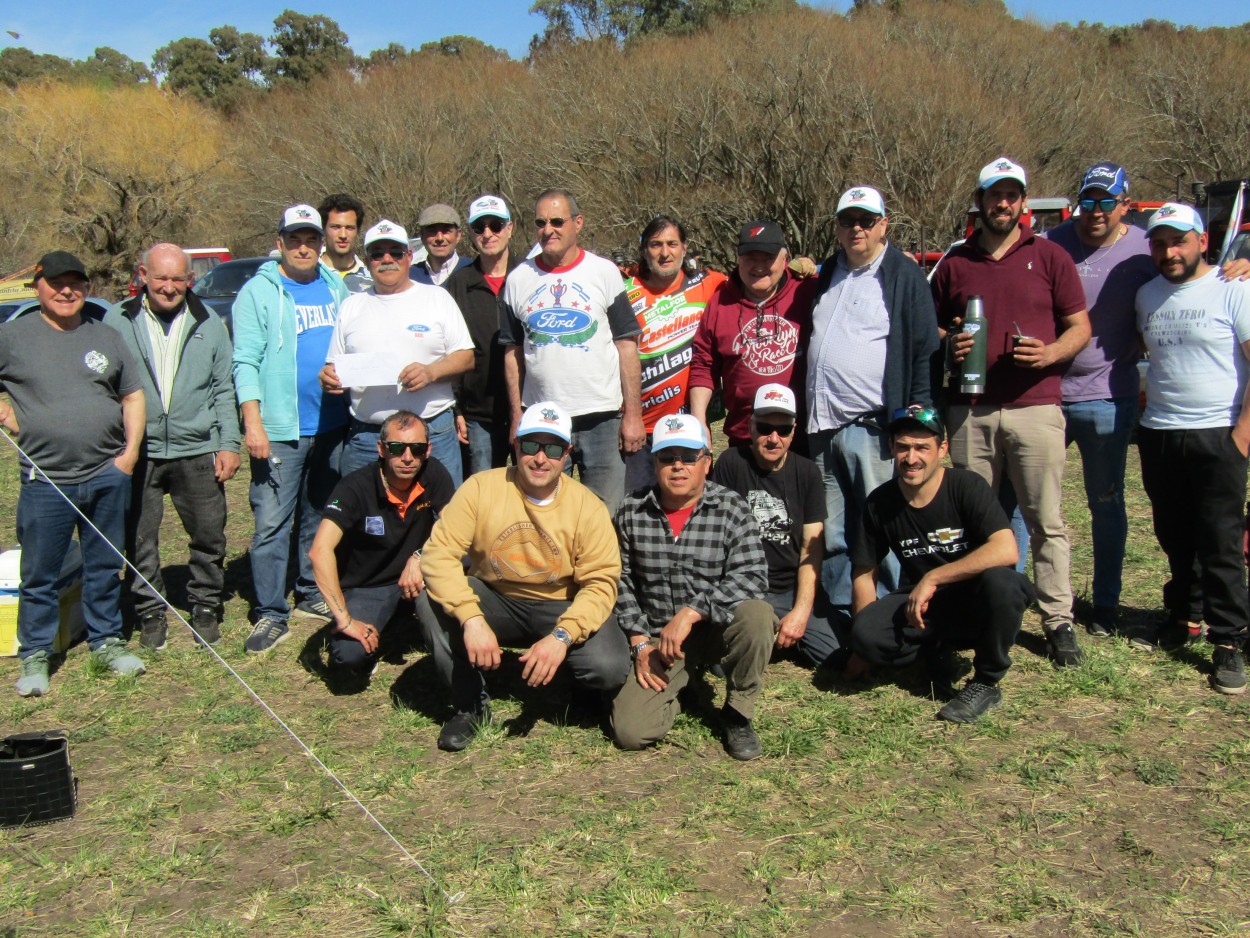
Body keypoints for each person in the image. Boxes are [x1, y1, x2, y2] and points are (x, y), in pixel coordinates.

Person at [930, 157, 1091, 668]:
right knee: (974, 522)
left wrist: (1050, 354)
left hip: (1035, 407)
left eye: (1012, 194)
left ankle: (1057, 620)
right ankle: (980, 612)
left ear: (1023, 201)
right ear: (978, 202)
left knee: (1046, 519)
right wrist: (949, 341)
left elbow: (1080, 327)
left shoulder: (1049, 256)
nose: (1003, 203)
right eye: (994, 194)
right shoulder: (955, 263)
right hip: (970, 412)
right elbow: (928, 328)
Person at [422, 401, 630, 752]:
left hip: (560, 604)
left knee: (608, 666)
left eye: (552, 448)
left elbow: (601, 581)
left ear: (567, 454)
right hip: (494, 597)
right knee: (430, 601)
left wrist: (562, 637)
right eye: (531, 445)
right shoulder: (480, 488)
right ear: (516, 446)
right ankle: (470, 705)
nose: (540, 458)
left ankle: (575, 687)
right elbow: (438, 554)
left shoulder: (587, 506)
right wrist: (472, 619)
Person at [1, 251, 147, 696]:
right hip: (45, 480)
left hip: (107, 472)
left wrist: (129, 456)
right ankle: (36, 654)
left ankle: (106, 641)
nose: (67, 291)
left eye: (76, 283)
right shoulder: (12, 337)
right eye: (56, 283)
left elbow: (133, 395)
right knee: (40, 572)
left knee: (105, 565)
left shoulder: (105, 335)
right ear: (38, 286)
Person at [849, 405, 1033, 722]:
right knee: (866, 632)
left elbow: (1006, 550)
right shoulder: (881, 502)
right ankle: (932, 652)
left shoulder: (966, 486)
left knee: (1003, 583)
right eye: (903, 447)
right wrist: (862, 650)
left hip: (978, 600)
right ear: (891, 448)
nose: (911, 457)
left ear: (942, 449)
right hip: (927, 608)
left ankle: (987, 680)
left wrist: (934, 577)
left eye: (922, 447)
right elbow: (865, 573)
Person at [611, 414, 776, 761]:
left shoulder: (731, 507)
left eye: (689, 457)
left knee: (757, 615)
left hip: (715, 629)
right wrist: (639, 641)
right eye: (667, 457)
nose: (678, 466)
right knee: (631, 732)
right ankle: (685, 685)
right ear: (654, 463)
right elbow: (620, 579)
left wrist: (693, 611)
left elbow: (752, 575)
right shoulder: (630, 510)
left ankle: (738, 712)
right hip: (658, 638)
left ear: (706, 462)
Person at [805, 186, 940, 611]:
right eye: (848, 221)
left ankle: (892, 612)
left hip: (874, 425)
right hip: (823, 423)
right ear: (838, 228)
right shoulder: (829, 272)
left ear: (884, 225)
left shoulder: (903, 275)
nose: (856, 228)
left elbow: (923, 349)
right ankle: (844, 614)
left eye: (866, 220)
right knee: (835, 530)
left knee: (884, 525)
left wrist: (913, 421)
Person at [1135, 203, 1250, 694]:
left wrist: (1243, 431)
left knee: (1221, 540)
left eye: (1178, 240)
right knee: (1174, 534)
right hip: (1160, 430)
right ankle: (1185, 614)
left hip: (1218, 432)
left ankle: (1230, 640)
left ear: (1202, 240)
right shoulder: (1146, 295)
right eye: (1159, 243)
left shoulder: (1233, 289)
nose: (1169, 251)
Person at [103, 243, 240, 649]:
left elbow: (223, 389)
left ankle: (205, 604)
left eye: (177, 279)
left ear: (189, 280)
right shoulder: (117, 320)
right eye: (160, 278)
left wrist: (229, 443)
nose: (168, 287)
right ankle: (149, 610)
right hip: (138, 450)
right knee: (140, 538)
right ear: (143, 275)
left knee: (209, 534)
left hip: (197, 447)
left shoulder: (209, 321)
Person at [232, 204, 350, 653]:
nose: (304, 247)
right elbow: (244, 362)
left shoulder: (334, 285)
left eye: (311, 239)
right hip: (281, 429)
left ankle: (308, 591)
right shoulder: (258, 293)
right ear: (279, 242)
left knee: (318, 513)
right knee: (271, 523)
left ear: (322, 244)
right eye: (294, 239)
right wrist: (253, 423)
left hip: (332, 424)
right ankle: (268, 612)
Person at [501, 188, 645, 516]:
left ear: (577, 223)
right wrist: (516, 416)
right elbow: (512, 353)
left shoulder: (604, 272)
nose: (548, 229)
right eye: (540, 222)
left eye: (557, 220)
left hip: (602, 417)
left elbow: (626, 345)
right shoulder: (518, 279)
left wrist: (633, 415)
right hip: (542, 419)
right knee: (544, 513)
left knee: (606, 515)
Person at [320, 219, 474, 483]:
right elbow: (334, 365)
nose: (387, 259)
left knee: (443, 517)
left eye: (396, 252)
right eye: (378, 254)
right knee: (365, 519)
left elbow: (466, 357)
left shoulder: (437, 298)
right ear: (368, 260)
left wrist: (431, 372)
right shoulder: (352, 306)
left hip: (432, 431)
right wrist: (329, 377)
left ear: (409, 256)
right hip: (368, 436)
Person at [308, 410, 454, 681]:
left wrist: (421, 555)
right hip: (369, 586)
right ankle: (391, 622)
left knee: (471, 557)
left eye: (417, 448)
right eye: (397, 448)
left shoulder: (433, 472)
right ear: (381, 449)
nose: (408, 458)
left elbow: (458, 529)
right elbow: (319, 551)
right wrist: (345, 621)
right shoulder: (354, 487)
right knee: (348, 656)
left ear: (428, 449)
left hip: (418, 576)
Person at [713, 383, 843, 668]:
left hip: (788, 587)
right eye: (764, 428)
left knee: (833, 656)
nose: (773, 438)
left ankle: (770, 635)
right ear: (750, 426)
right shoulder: (730, 463)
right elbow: (714, 537)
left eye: (783, 430)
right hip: (742, 587)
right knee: (719, 663)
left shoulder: (807, 472)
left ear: (794, 431)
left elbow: (813, 546)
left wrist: (801, 611)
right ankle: (761, 636)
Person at [688, 219, 816, 449]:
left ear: (784, 259)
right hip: (744, 437)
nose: (759, 266)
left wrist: (816, 267)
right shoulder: (720, 303)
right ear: (738, 258)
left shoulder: (807, 292)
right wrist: (699, 419)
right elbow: (703, 364)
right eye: (750, 258)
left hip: (800, 437)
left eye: (767, 258)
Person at [623, 214, 726, 491]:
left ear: (685, 247)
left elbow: (758, 278)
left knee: (691, 510)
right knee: (638, 509)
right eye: (656, 245)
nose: (665, 253)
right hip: (641, 428)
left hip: (691, 425)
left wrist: (806, 268)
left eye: (672, 243)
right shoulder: (625, 289)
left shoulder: (710, 283)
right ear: (645, 250)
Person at [445, 195, 519, 476]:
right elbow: (448, 350)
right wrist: (457, 410)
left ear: (510, 228)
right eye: (480, 227)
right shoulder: (458, 283)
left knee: (534, 489)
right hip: (478, 415)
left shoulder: (528, 275)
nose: (488, 234)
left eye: (496, 225)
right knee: (483, 493)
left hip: (528, 406)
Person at [318, 193, 372, 294]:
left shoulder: (371, 280)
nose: (343, 235)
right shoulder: (310, 274)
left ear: (358, 231)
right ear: (323, 229)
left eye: (349, 228)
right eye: (336, 227)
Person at [410, 203, 473, 287]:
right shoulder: (410, 276)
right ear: (422, 236)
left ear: (458, 235)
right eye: (432, 231)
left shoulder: (473, 271)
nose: (439, 238)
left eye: (446, 231)